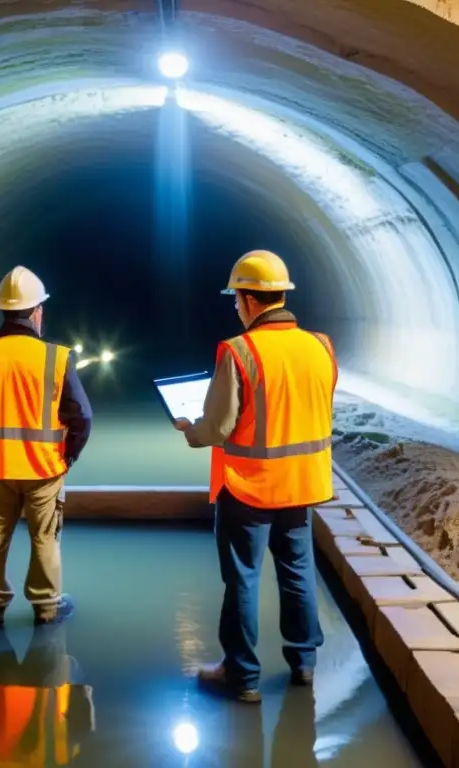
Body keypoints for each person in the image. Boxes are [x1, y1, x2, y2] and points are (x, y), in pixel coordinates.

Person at [174, 249, 337, 703]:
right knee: (299, 574)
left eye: (236, 300)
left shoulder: (239, 351)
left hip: (249, 487)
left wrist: (191, 430)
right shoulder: (321, 346)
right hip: (303, 484)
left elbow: (220, 426)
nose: (236, 308)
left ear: (248, 300)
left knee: (243, 579)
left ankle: (242, 676)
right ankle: (303, 664)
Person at [0, 265, 92, 630]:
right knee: (44, 537)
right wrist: (68, 454)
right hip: (44, 469)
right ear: (37, 311)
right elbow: (83, 416)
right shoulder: (56, 357)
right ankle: (46, 607)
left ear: (3, 310)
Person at [0, 624, 95, 765]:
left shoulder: (61, 760)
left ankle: (46, 612)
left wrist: (78, 686)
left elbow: (84, 721)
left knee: (48, 628)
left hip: (44, 685)